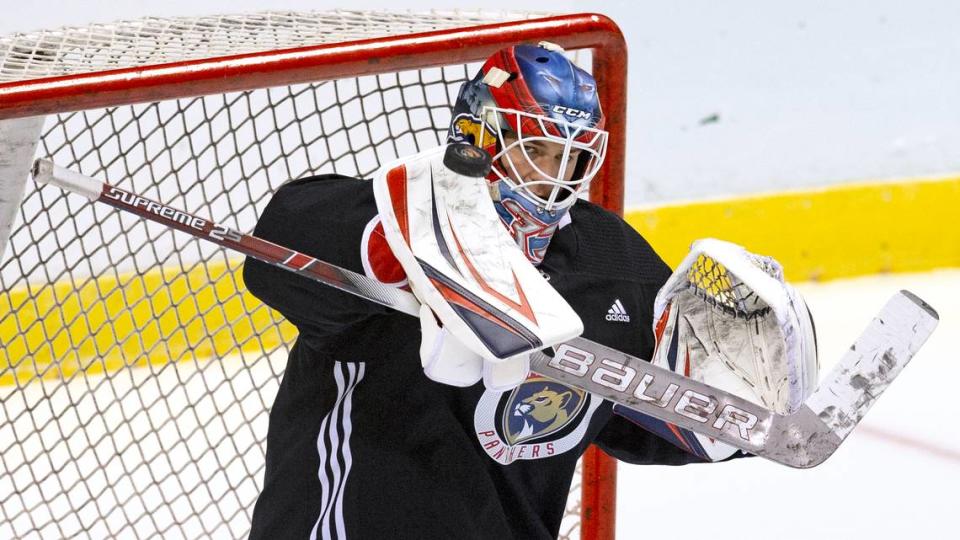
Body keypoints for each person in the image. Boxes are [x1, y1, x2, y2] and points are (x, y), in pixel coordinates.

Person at [243, 43, 798, 539]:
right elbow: (280, 247)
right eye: (540, 150)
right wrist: (419, 263)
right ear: (481, 135)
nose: (556, 176)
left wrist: (726, 407)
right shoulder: (394, 219)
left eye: (574, 156)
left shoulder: (613, 263)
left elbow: (639, 418)